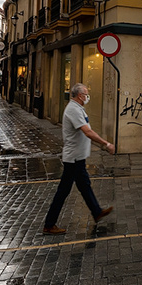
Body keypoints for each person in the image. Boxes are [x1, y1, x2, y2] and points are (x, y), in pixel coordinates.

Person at [43, 83, 115, 235]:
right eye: (86, 94)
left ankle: (96, 212)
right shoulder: (73, 110)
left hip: (78, 157)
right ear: (79, 96)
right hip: (73, 158)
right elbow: (87, 132)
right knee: (63, 191)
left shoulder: (78, 108)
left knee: (84, 186)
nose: (87, 96)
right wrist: (106, 143)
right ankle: (49, 224)